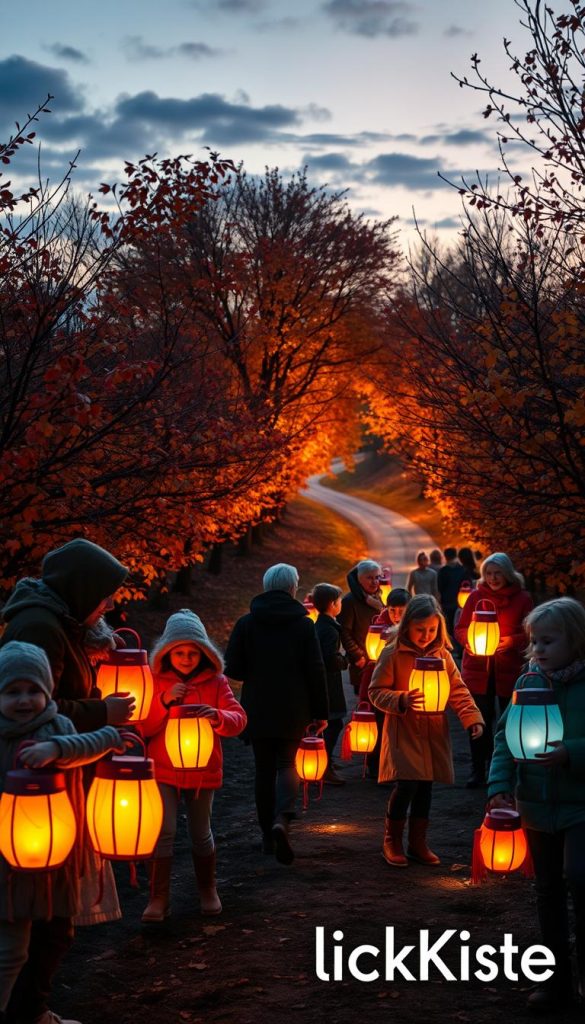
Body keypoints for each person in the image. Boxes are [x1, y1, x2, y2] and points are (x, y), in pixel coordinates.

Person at [0, 641, 129, 1024]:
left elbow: (86, 746)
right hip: (6, 863)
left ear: (48, 691)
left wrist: (56, 748)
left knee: (37, 942)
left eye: (33, 691)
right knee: (10, 949)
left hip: (51, 856)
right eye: (12, 691)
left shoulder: (58, 726)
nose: (24, 700)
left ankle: (26, 1012)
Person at [488, 597, 585, 1013]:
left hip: (580, 804)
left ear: (576, 640)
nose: (539, 649)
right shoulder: (527, 681)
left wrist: (573, 752)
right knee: (546, 890)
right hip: (535, 804)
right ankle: (556, 979)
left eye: (549, 640)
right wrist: (498, 783)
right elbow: (504, 738)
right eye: (535, 641)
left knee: (580, 877)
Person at [139, 610, 246, 922]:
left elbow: (238, 719)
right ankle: (158, 897)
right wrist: (163, 701)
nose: (186, 658)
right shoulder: (154, 681)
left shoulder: (216, 682)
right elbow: (142, 728)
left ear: (203, 652)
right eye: (179, 652)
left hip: (202, 771)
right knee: (164, 831)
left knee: (200, 832)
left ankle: (207, 889)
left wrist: (217, 716)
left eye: (192, 652)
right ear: (168, 652)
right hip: (162, 769)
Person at [224, 564, 328, 865]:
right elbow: (315, 670)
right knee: (287, 764)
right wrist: (321, 712)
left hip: (258, 707)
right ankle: (282, 819)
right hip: (294, 708)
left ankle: (266, 837)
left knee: (263, 771)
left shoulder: (247, 623)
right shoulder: (304, 625)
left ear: (266, 586)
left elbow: (235, 669)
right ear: (293, 589)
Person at [369, 595, 484, 868]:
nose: (425, 635)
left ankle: (418, 842)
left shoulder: (442, 655)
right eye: (420, 630)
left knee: (425, 786)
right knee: (407, 783)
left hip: (432, 732)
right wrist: (400, 699)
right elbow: (376, 692)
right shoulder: (392, 653)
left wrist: (472, 718)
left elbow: (457, 689)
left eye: (431, 630)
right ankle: (392, 840)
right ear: (407, 625)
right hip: (403, 731)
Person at [0, 539, 135, 731]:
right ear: (83, 591)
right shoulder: (40, 629)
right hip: (37, 758)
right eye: (105, 595)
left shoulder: (67, 625)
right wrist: (102, 712)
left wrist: (100, 644)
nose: (111, 605)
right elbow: (35, 711)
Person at [455, 552, 533, 788]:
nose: (493, 578)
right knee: (478, 720)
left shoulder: (522, 599)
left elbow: (531, 631)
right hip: (478, 670)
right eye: (489, 573)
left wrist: (511, 641)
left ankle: (505, 771)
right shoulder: (475, 597)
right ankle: (478, 768)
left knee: (509, 721)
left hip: (508, 669)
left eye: (498, 573)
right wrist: (469, 641)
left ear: (507, 573)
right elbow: (461, 627)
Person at [358, 588, 411, 780]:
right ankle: (375, 766)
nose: (396, 616)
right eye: (392, 611)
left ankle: (397, 765)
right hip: (379, 685)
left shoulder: (414, 628)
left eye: (401, 611)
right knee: (378, 726)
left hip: (401, 687)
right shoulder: (378, 628)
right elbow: (370, 659)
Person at [312, 584, 348, 786]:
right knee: (333, 723)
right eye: (339, 601)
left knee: (330, 724)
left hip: (324, 681)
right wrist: (345, 660)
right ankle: (323, 764)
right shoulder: (330, 630)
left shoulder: (320, 625)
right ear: (333, 604)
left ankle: (325, 762)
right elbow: (330, 659)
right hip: (328, 684)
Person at [338, 560, 382, 694]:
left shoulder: (378, 599)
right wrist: (357, 656)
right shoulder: (349, 602)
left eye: (377, 577)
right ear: (359, 579)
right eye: (369, 578)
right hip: (362, 663)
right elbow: (344, 632)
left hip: (381, 662)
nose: (374, 582)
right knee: (364, 703)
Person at [437, 547, 466, 638]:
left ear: (445, 556)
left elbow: (439, 587)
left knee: (448, 626)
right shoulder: (462, 570)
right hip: (460, 602)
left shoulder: (443, 571)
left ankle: (450, 644)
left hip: (446, 602)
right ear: (455, 556)